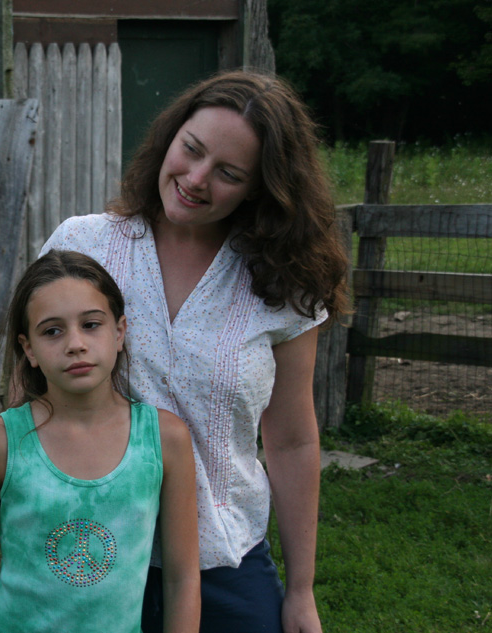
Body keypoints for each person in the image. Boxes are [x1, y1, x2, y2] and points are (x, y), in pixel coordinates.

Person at [40, 71, 350, 633]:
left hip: (224, 562)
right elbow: (32, 393)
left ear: (262, 188)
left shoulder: (284, 284)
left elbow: (292, 439)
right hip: (90, 549)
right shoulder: (81, 244)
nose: (196, 179)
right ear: (170, 135)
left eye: (229, 173)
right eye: (192, 149)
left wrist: (301, 590)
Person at [0, 250, 201, 633]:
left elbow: (182, 579)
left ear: (119, 332)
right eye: (52, 331)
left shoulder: (164, 441)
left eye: (91, 324)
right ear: (28, 349)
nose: (75, 344)